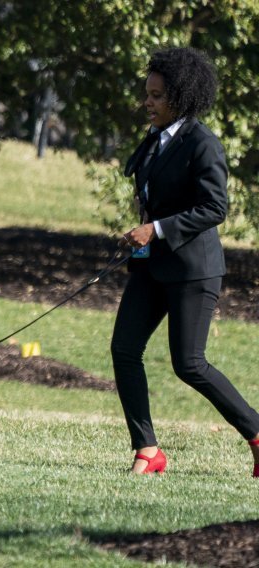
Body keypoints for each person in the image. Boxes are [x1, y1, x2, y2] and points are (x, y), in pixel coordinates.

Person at [112, 47, 259, 475]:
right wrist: (143, 230)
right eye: (148, 94)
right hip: (152, 266)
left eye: (156, 96)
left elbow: (215, 207)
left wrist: (155, 229)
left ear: (179, 97)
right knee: (124, 349)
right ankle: (148, 450)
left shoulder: (203, 143)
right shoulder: (155, 139)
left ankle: (255, 432)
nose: (149, 102)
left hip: (194, 270)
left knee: (189, 364)